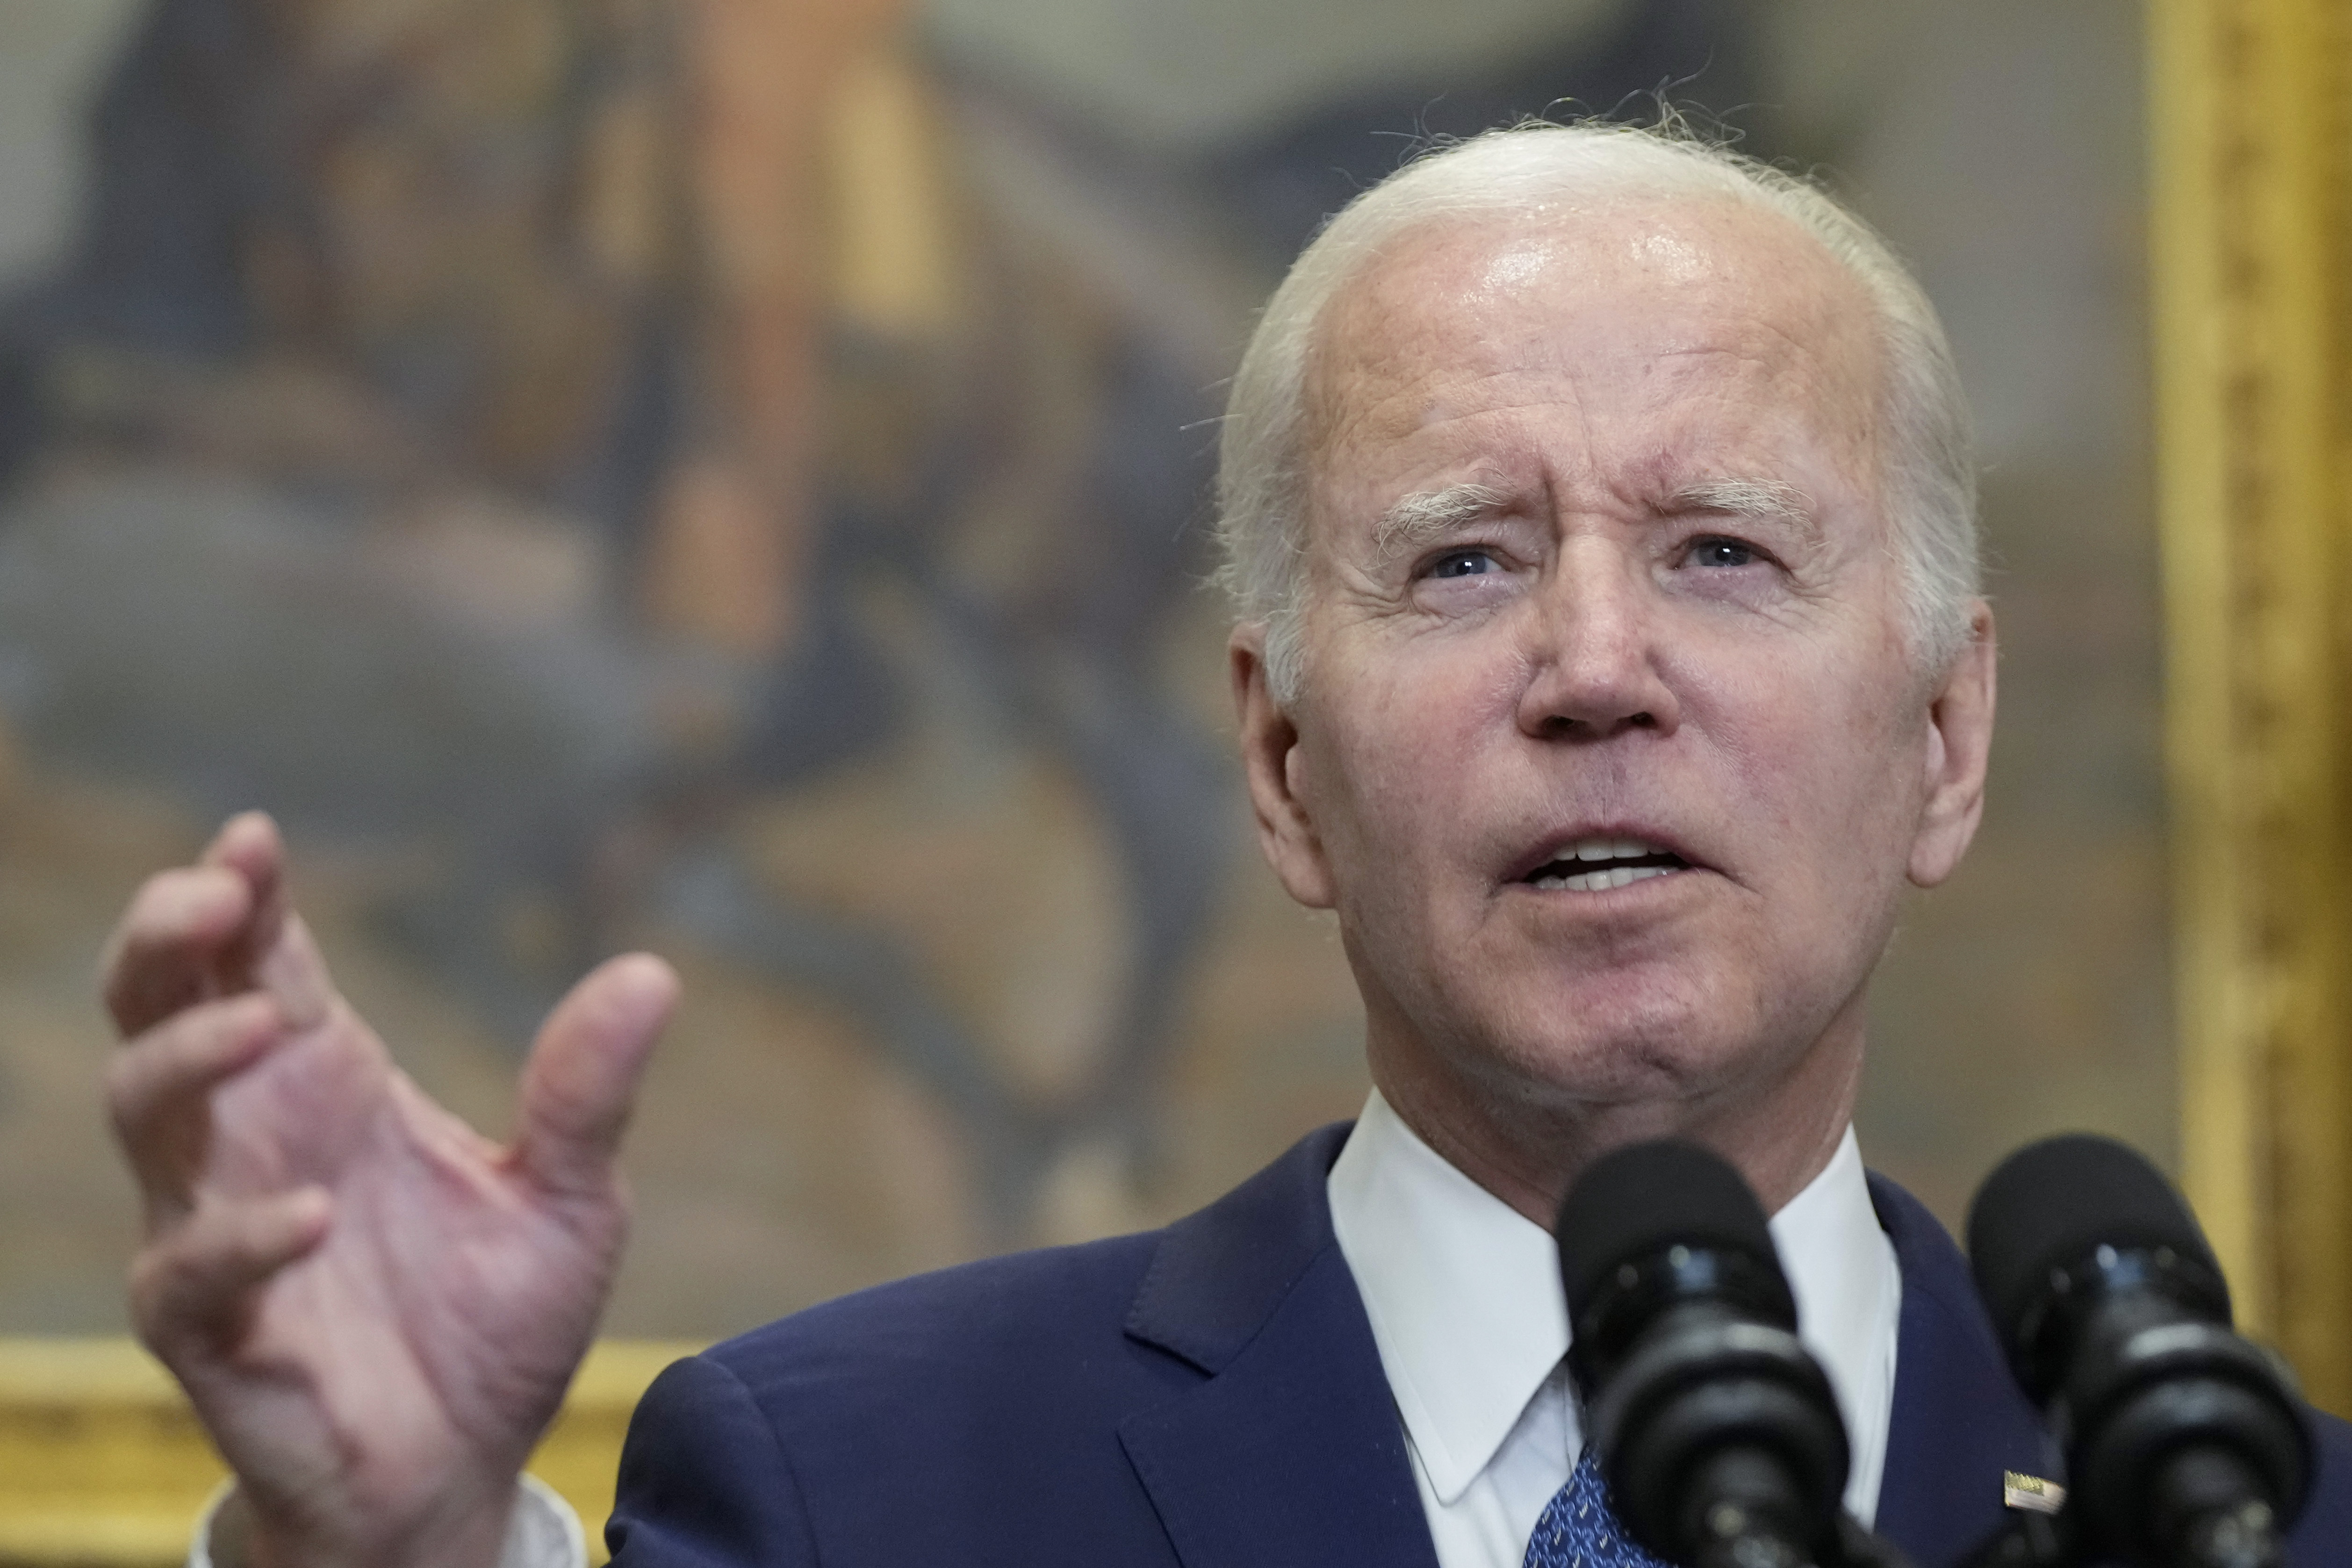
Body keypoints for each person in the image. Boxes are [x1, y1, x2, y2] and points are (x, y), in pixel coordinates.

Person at [103, 122, 2352, 1568]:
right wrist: (385, 1550)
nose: (1594, 664)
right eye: (1463, 561)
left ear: (1945, 734)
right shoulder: (855, 1489)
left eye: (1722, 551)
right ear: (1280, 764)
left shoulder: (2259, 1524)